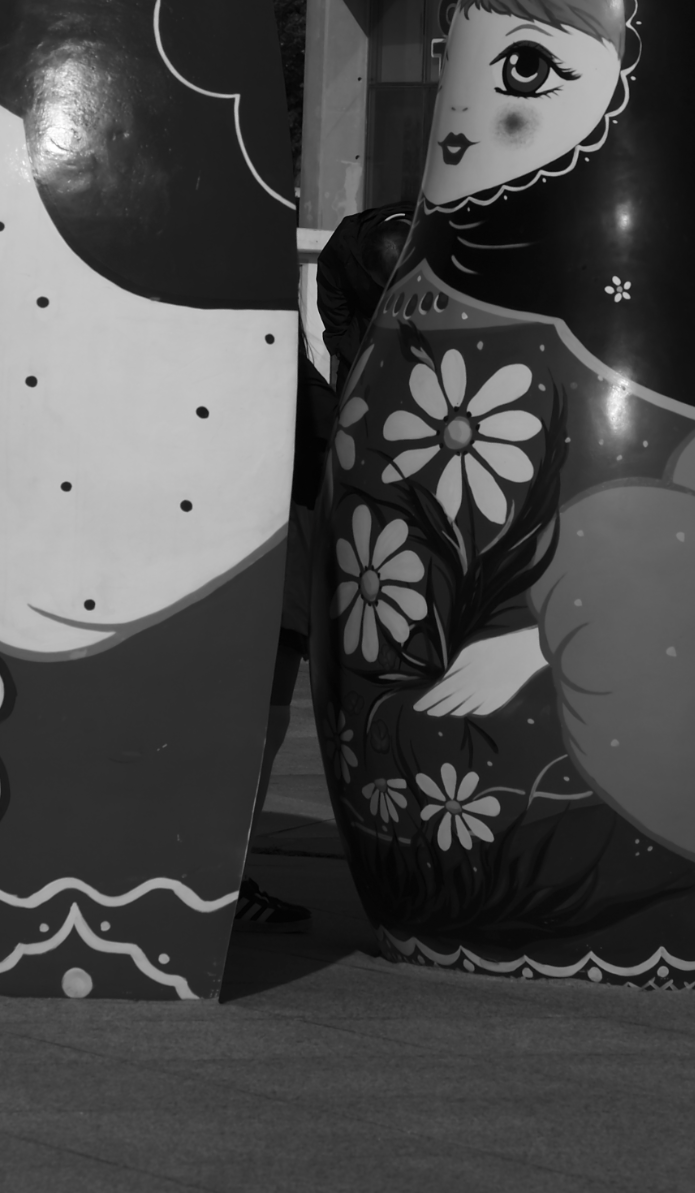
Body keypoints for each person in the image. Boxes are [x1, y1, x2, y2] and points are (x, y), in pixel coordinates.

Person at [234, 202, 414, 934]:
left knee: (261, 723)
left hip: (284, 571)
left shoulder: (310, 373)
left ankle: (224, 875)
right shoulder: (301, 380)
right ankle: (223, 877)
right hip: (277, 575)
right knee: (259, 723)